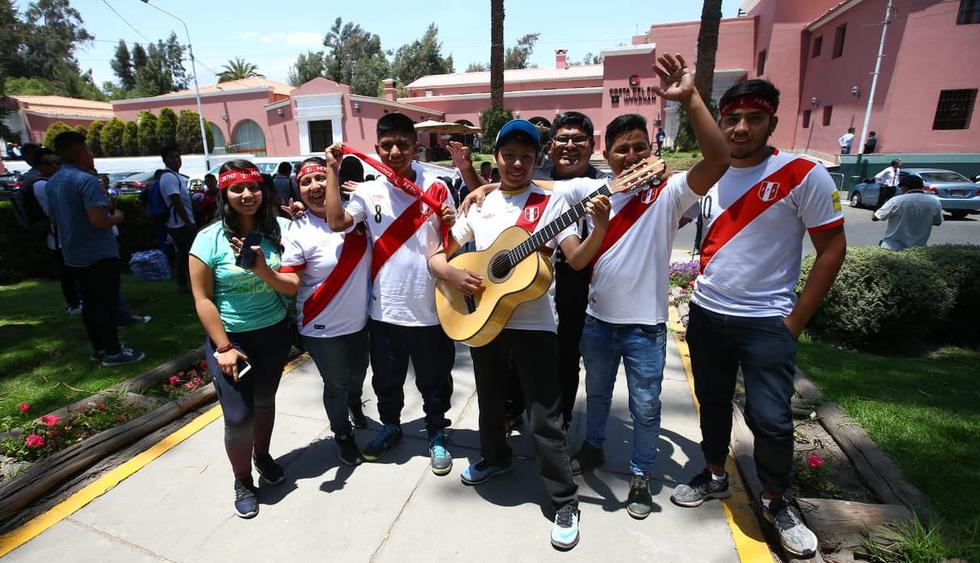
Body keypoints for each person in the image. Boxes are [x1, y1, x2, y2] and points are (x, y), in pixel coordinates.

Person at [668, 79, 846, 560]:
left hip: (767, 322)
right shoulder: (710, 174)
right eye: (732, 118)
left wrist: (795, 322)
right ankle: (714, 474)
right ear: (720, 120)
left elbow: (833, 249)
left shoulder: (803, 174)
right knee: (713, 403)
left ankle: (776, 500)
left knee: (772, 421)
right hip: (707, 314)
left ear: (772, 121)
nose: (741, 128)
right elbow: (663, 216)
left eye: (754, 119)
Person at [559, 54, 729, 521]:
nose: (631, 156)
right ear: (606, 154)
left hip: (646, 330)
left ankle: (639, 474)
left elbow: (718, 159)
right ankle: (593, 447)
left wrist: (690, 98)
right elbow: (533, 190)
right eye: (621, 149)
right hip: (597, 323)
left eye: (639, 147)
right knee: (595, 395)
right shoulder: (589, 194)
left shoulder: (670, 195)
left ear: (650, 152)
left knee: (646, 406)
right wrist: (478, 188)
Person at [429, 119, 611, 550]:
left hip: (534, 323)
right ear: (496, 158)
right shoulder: (478, 205)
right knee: (490, 401)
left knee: (544, 415)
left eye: (526, 157)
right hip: (483, 317)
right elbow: (440, 257)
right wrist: (453, 272)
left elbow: (578, 260)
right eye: (509, 155)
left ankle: (564, 500)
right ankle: (495, 458)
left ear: (537, 160)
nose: (516, 163)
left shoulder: (549, 204)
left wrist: (598, 228)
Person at [322, 112, 456, 474]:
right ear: (377, 149)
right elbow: (337, 223)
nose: (396, 151)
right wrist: (332, 170)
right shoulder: (368, 191)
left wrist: (452, 224)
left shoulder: (439, 186)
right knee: (386, 380)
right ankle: (391, 427)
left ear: (416, 146)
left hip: (431, 308)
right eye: (387, 146)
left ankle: (437, 433)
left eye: (403, 144)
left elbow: (454, 244)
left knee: (435, 378)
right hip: (384, 311)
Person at [460, 111, 611, 431]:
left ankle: (560, 417)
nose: (570, 146)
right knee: (513, 357)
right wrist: (483, 186)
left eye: (578, 139)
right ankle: (512, 410)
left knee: (566, 353)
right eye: (563, 139)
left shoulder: (601, 183)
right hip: (520, 276)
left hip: (571, 276)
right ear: (551, 145)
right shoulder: (535, 171)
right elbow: (506, 195)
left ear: (591, 145)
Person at [188, 159, 294, 519]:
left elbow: (295, 281)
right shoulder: (208, 239)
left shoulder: (280, 229)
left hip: (274, 332)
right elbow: (202, 299)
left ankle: (262, 456)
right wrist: (224, 347)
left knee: (264, 400)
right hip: (231, 340)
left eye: (253, 187)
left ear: (263, 190)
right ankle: (242, 478)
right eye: (237, 189)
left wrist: (263, 267)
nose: (247, 195)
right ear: (224, 193)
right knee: (238, 417)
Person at [275, 156, 372, 465]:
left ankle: (354, 404)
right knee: (336, 384)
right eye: (306, 182)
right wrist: (264, 271)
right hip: (321, 325)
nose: (315, 187)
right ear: (298, 190)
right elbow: (291, 279)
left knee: (358, 375)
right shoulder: (297, 229)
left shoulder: (360, 214)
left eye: (320, 178)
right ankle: (342, 434)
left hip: (362, 322)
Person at [45, 132, 145, 367]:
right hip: (98, 253)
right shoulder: (85, 180)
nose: (91, 155)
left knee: (89, 303)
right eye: (88, 150)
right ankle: (113, 351)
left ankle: (98, 348)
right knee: (106, 303)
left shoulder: (53, 182)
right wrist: (117, 216)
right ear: (79, 152)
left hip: (73, 252)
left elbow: (54, 218)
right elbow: (99, 221)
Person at [31, 148, 81, 316]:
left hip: (65, 234)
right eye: (49, 163)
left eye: (57, 162)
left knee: (74, 271)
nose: (54, 166)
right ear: (39, 166)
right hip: (59, 236)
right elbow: (55, 211)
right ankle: (73, 304)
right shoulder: (42, 185)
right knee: (67, 272)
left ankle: (78, 300)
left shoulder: (53, 182)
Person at [159, 145, 197, 293]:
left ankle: (185, 283)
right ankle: (187, 283)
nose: (176, 159)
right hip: (180, 224)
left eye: (177, 156)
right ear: (165, 160)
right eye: (172, 157)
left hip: (182, 222)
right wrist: (188, 222)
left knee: (183, 254)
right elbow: (176, 200)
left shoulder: (175, 176)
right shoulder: (168, 177)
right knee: (189, 254)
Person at [873, 175, 942, 250]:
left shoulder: (897, 200)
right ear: (921, 186)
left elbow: (876, 217)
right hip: (917, 248)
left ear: (904, 187)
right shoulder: (934, 202)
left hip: (892, 247)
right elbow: (937, 222)